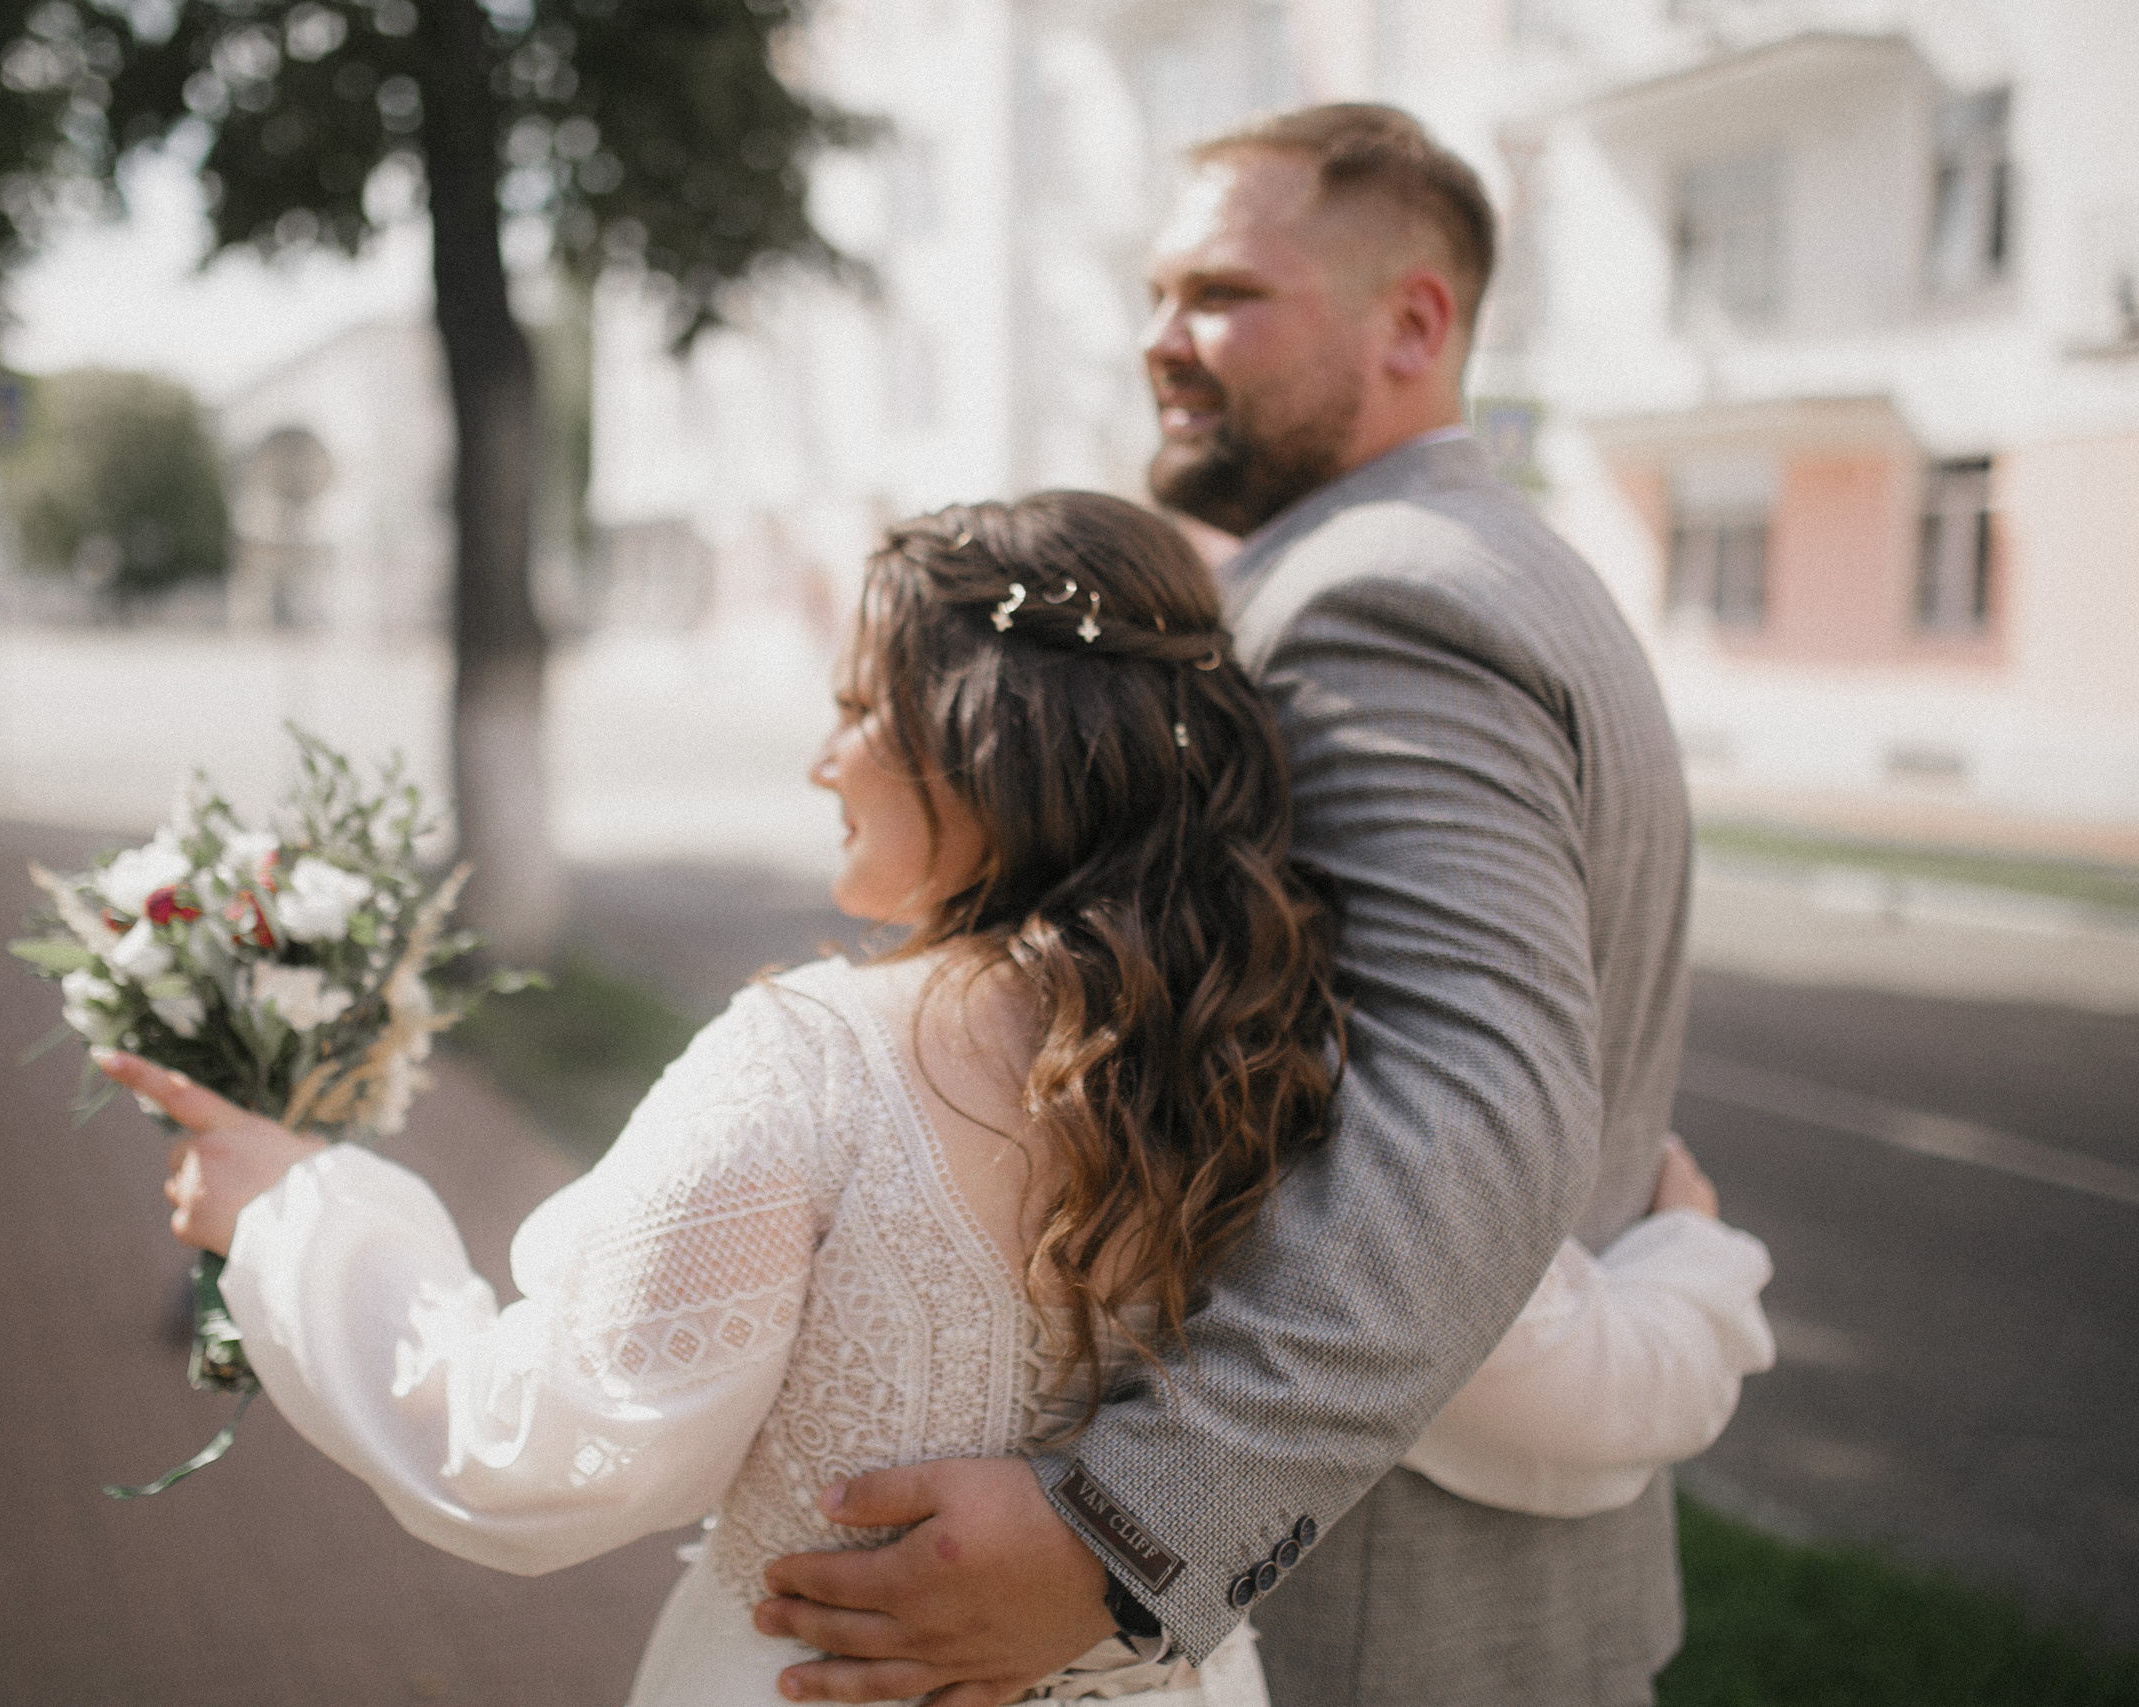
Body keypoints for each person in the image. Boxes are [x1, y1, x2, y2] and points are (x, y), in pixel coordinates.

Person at [95, 489, 1766, 1707]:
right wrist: (1696, 1269)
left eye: (852, 716)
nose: (821, 763)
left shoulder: (808, 1069)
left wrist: (291, 1212)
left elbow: (541, 1456)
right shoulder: (1292, 1082)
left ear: (980, 741)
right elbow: (1566, 1392)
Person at [753, 104, 1711, 1707]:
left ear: (1414, 320)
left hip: (1388, 1625)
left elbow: (1474, 1112)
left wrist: (1127, 1536)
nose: (1159, 344)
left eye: (1220, 296)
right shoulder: (1509, 559)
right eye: (1153, 296)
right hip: (1514, 1598)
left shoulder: (1379, 601)